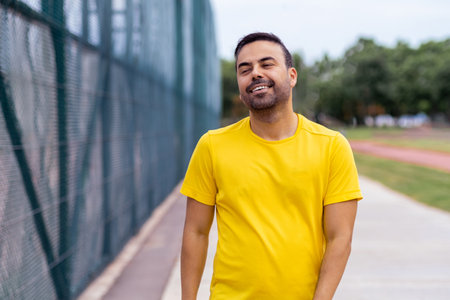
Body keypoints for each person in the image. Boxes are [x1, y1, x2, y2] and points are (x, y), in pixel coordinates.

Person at [180, 32, 363, 300]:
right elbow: (195, 232)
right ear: (240, 87)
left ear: (292, 76)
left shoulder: (332, 146)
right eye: (245, 69)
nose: (255, 73)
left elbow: (340, 239)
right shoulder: (212, 146)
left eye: (267, 64)